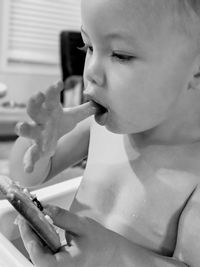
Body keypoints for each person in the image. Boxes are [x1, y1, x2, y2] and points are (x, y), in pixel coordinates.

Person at [9, 0, 200, 266]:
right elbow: (25, 175)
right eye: (87, 46)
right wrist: (39, 145)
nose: (91, 72)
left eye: (121, 54)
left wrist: (113, 254)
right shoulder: (99, 128)